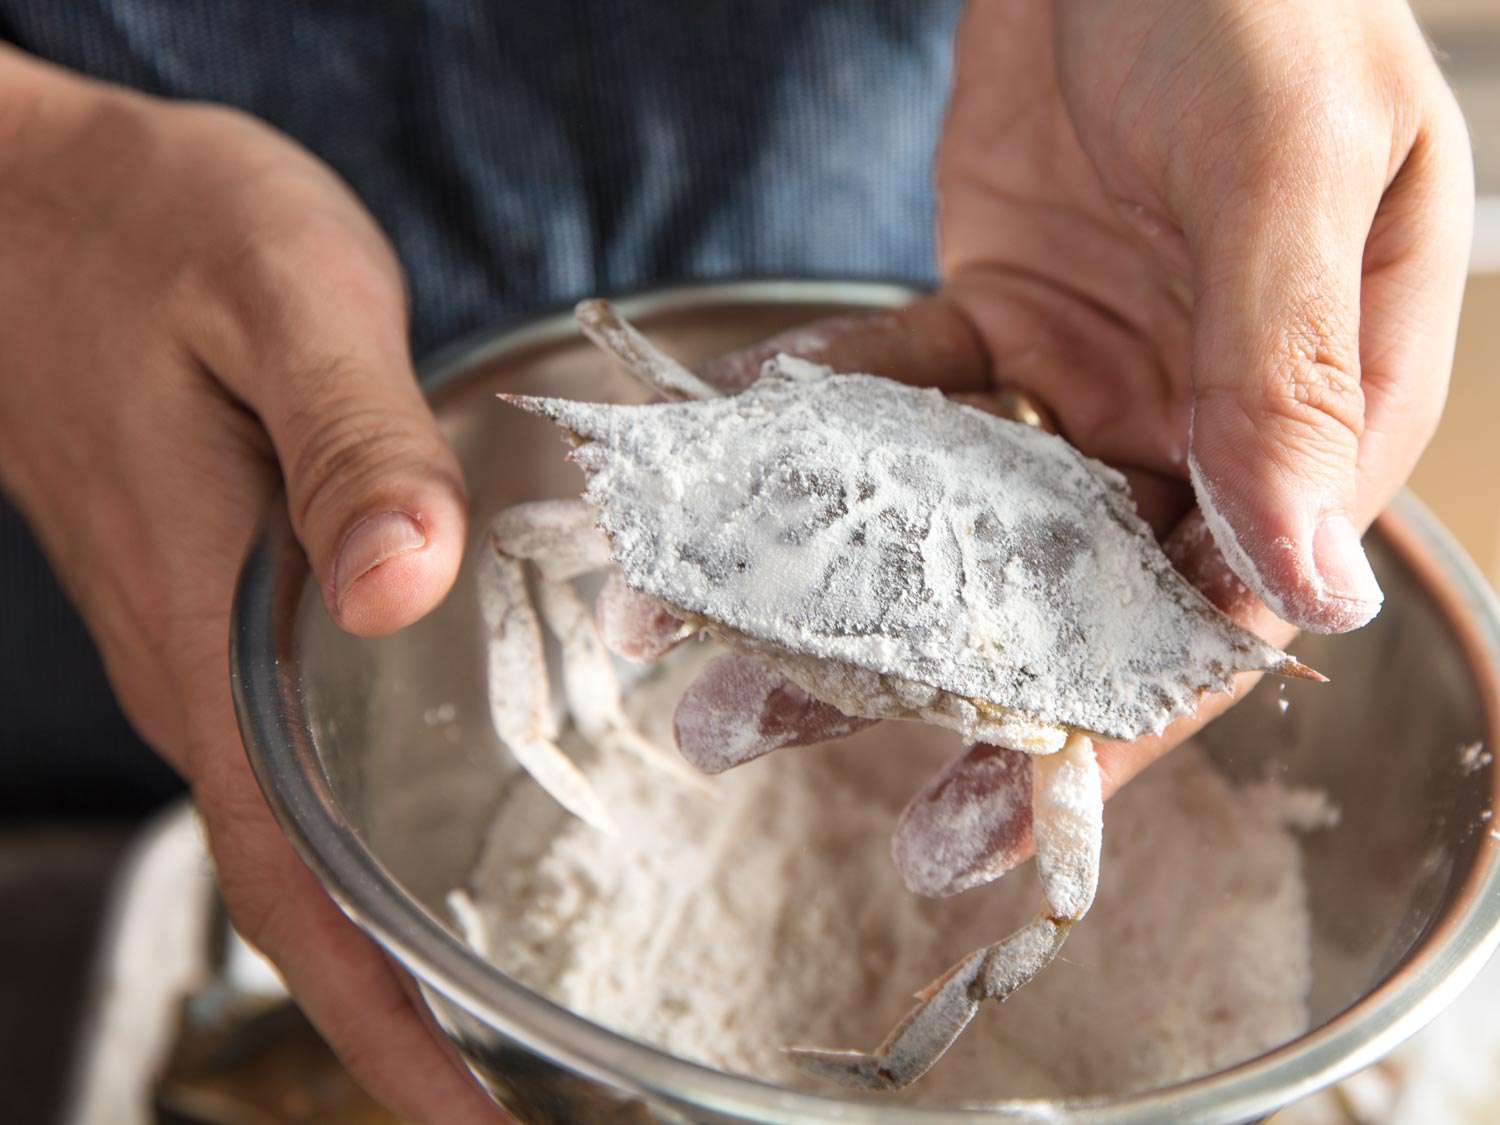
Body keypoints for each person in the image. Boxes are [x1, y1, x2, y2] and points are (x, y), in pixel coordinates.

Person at [0, 1, 1472, 1120]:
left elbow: (1067, 898)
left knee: (1056, 883)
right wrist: (39, 191)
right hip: (132, 320)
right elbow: (518, 546)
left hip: (1004, 208)